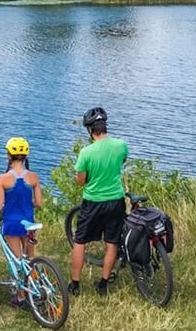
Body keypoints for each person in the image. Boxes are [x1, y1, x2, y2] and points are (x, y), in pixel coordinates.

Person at [69, 107, 128, 297]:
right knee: (112, 243)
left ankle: (75, 285)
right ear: (105, 126)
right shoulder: (121, 145)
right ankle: (103, 284)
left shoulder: (86, 152)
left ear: (89, 130)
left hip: (93, 202)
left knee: (80, 242)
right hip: (116, 200)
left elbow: (80, 180)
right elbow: (122, 162)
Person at [0, 136, 43, 307]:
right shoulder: (34, 177)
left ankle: (21, 297)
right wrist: (28, 203)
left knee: (16, 260)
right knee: (29, 258)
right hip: (28, 222)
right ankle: (34, 288)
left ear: (8, 156)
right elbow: (39, 203)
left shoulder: (3, 179)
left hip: (12, 223)